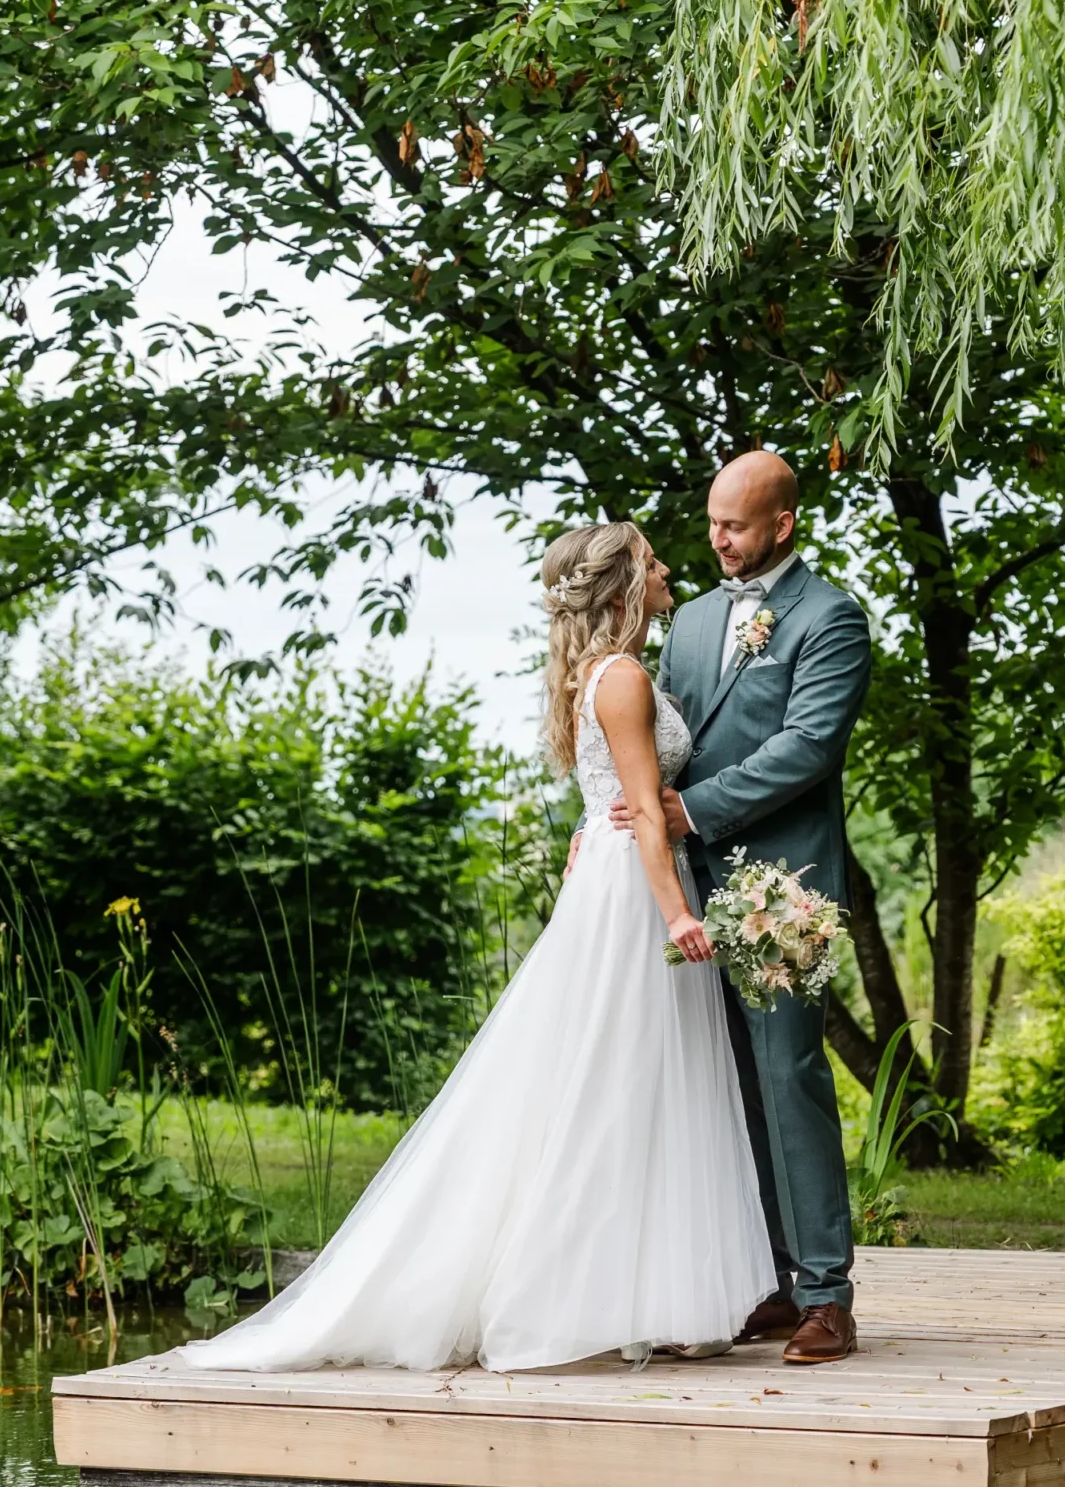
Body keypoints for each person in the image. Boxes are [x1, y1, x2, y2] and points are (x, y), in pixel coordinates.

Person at [179, 520, 775, 1373]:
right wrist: (679, 911)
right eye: (652, 561)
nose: (668, 567)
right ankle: (555, 1296)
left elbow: (608, 795)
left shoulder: (602, 673)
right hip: (637, 895)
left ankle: (649, 1297)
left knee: (642, 1084)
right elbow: (642, 807)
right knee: (616, 1084)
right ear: (620, 587)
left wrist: (597, 842)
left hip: (617, 878)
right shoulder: (624, 677)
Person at [610, 450, 874, 1365]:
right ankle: (765, 1279)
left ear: (783, 524)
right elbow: (657, 739)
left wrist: (692, 808)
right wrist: (637, 819)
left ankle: (827, 1296)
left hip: (782, 890)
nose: (719, 538)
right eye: (714, 522)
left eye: (737, 524)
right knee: (724, 1088)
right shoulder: (685, 627)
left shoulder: (830, 618)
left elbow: (809, 747)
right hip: (688, 887)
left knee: (791, 1076)